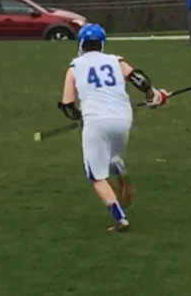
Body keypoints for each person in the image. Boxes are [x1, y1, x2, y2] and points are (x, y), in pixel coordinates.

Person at [58, 24, 168, 232]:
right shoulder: (115, 61)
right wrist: (154, 95)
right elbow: (140, 80)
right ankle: (117, 165)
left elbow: (67, 106)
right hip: (123, 118)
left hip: (96, 122)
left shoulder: (74, 68)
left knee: (97, 176)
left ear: (81, 44)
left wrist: (80, 117)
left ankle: (120, 218)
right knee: (110, 156)